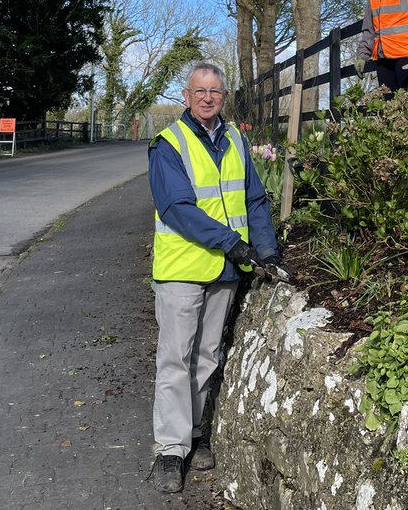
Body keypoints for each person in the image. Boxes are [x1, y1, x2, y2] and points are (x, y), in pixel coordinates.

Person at [146, 60, 288, 494]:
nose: (208, 98)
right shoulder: (168, 144)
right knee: (176, 359)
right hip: (183, 269)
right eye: (199, 90)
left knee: (207, 358)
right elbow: (178, 209)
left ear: (224, 98)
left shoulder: (235, 139)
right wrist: (232, 242)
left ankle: (191, 436)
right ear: (185, 97)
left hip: (227, 269)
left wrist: (266, 251)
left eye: (216, 92)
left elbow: (256, 199)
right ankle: (170, 450)